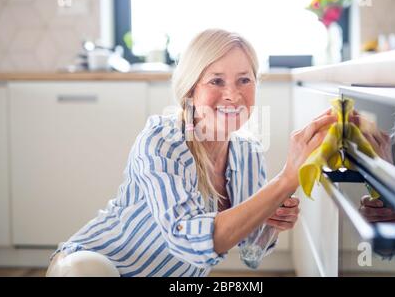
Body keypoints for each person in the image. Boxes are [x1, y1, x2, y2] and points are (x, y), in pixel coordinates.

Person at [46, 29, 336, 277]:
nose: (233, 95)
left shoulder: (247, 153)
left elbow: (251, 252)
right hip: (93, 266)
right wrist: (285, 179)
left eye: (244, 80)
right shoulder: (162, 141)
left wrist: (270, 223)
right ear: (190, 90)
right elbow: (187, 239)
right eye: (216, 81)